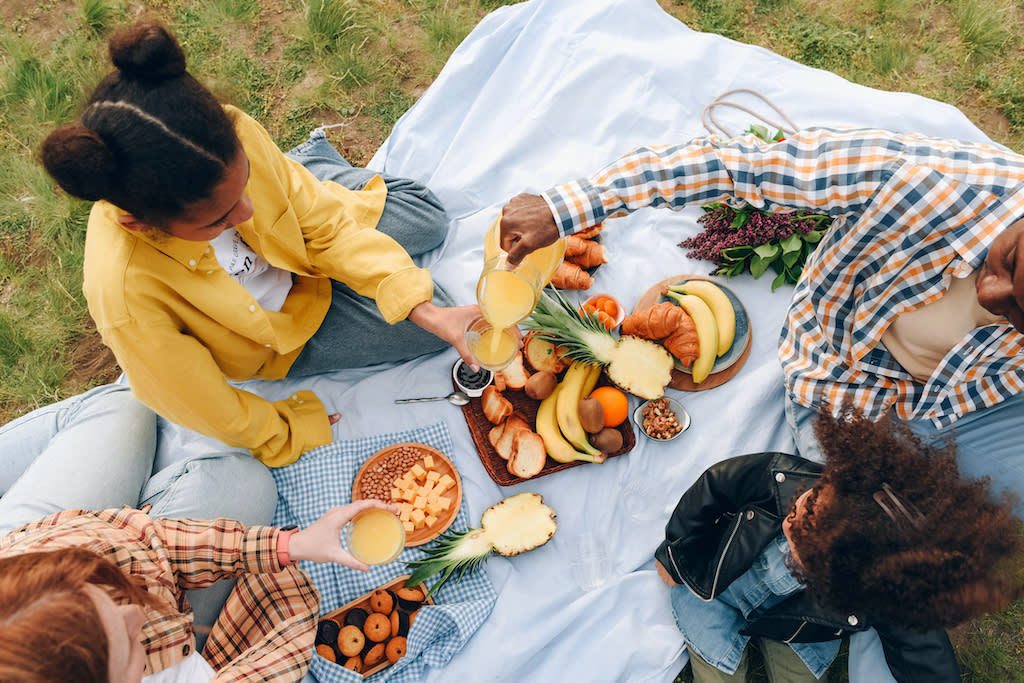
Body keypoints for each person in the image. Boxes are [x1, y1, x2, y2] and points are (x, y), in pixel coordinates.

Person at [497, 128, 1024, 513]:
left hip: (978, 396)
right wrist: (570, 207)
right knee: (863, 534)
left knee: (927, 539)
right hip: (848, 376)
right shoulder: (929, 181)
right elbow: (734, 163)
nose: (990, 292)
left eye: (1020, 313)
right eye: (1015, 261)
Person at [39, 21, 481, 468]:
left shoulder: (234, 133)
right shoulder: (126, 295)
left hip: (300, 244)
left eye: (245, 183)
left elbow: (321, 225)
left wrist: (416, 303)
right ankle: (306, 173)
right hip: (282, 333)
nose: (248, 214)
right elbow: (198, 400)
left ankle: (305, 169)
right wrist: (281, 431)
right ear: (139, 224)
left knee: (426, 218)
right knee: (428, 329)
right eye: (219, 218)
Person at [654, 409, 1022, 683]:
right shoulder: (781, 477)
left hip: (794, 628)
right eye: (806, 500)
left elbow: (920, 649)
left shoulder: (875, 583)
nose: (792, 515)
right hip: (720, 589)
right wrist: (675, 551)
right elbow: (714, 488)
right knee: (712, 663)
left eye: (803, 534)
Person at [0, 498, 391, 682]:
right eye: (127, 641)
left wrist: (291, 545)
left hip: (47, 528)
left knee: (127, 412)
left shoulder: (72, 559)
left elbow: (154, 545)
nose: (137, 613)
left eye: (108, 602)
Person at [0, 383, 278, 641]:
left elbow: (143, 549)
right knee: (242, 484)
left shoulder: (52, 562)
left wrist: (285, 546)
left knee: (130, 406)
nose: (136, 614)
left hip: (30, 568)